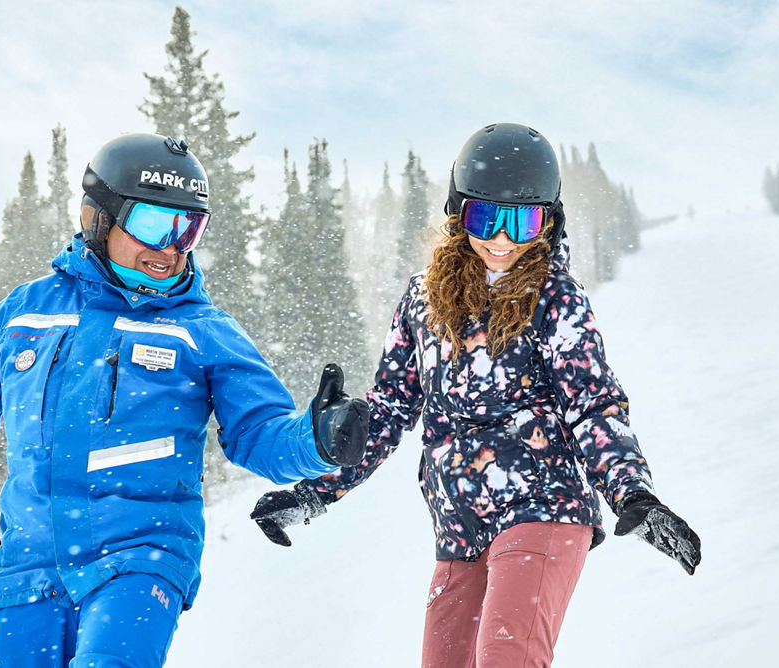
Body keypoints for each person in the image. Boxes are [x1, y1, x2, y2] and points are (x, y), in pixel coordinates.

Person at [0, 132, 369, 667]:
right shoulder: (25, 315)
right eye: (154, 223)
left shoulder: (203, 332)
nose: (170, 248)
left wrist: (315, 438)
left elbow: (259, 434)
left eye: (189, 229)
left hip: (140, 558)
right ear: (98, 218)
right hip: (27, 571)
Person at [250, 123, 701, 667]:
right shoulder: (422, 298)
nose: (503, 239)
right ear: (458, 212)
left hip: (544, 508)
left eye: (524, 220)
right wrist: (316, 491)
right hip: (459, 526)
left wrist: (632, 492)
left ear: (548, 223)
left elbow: (593, 403)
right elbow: (391, 408)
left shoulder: (554, 296)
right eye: (486, 217)